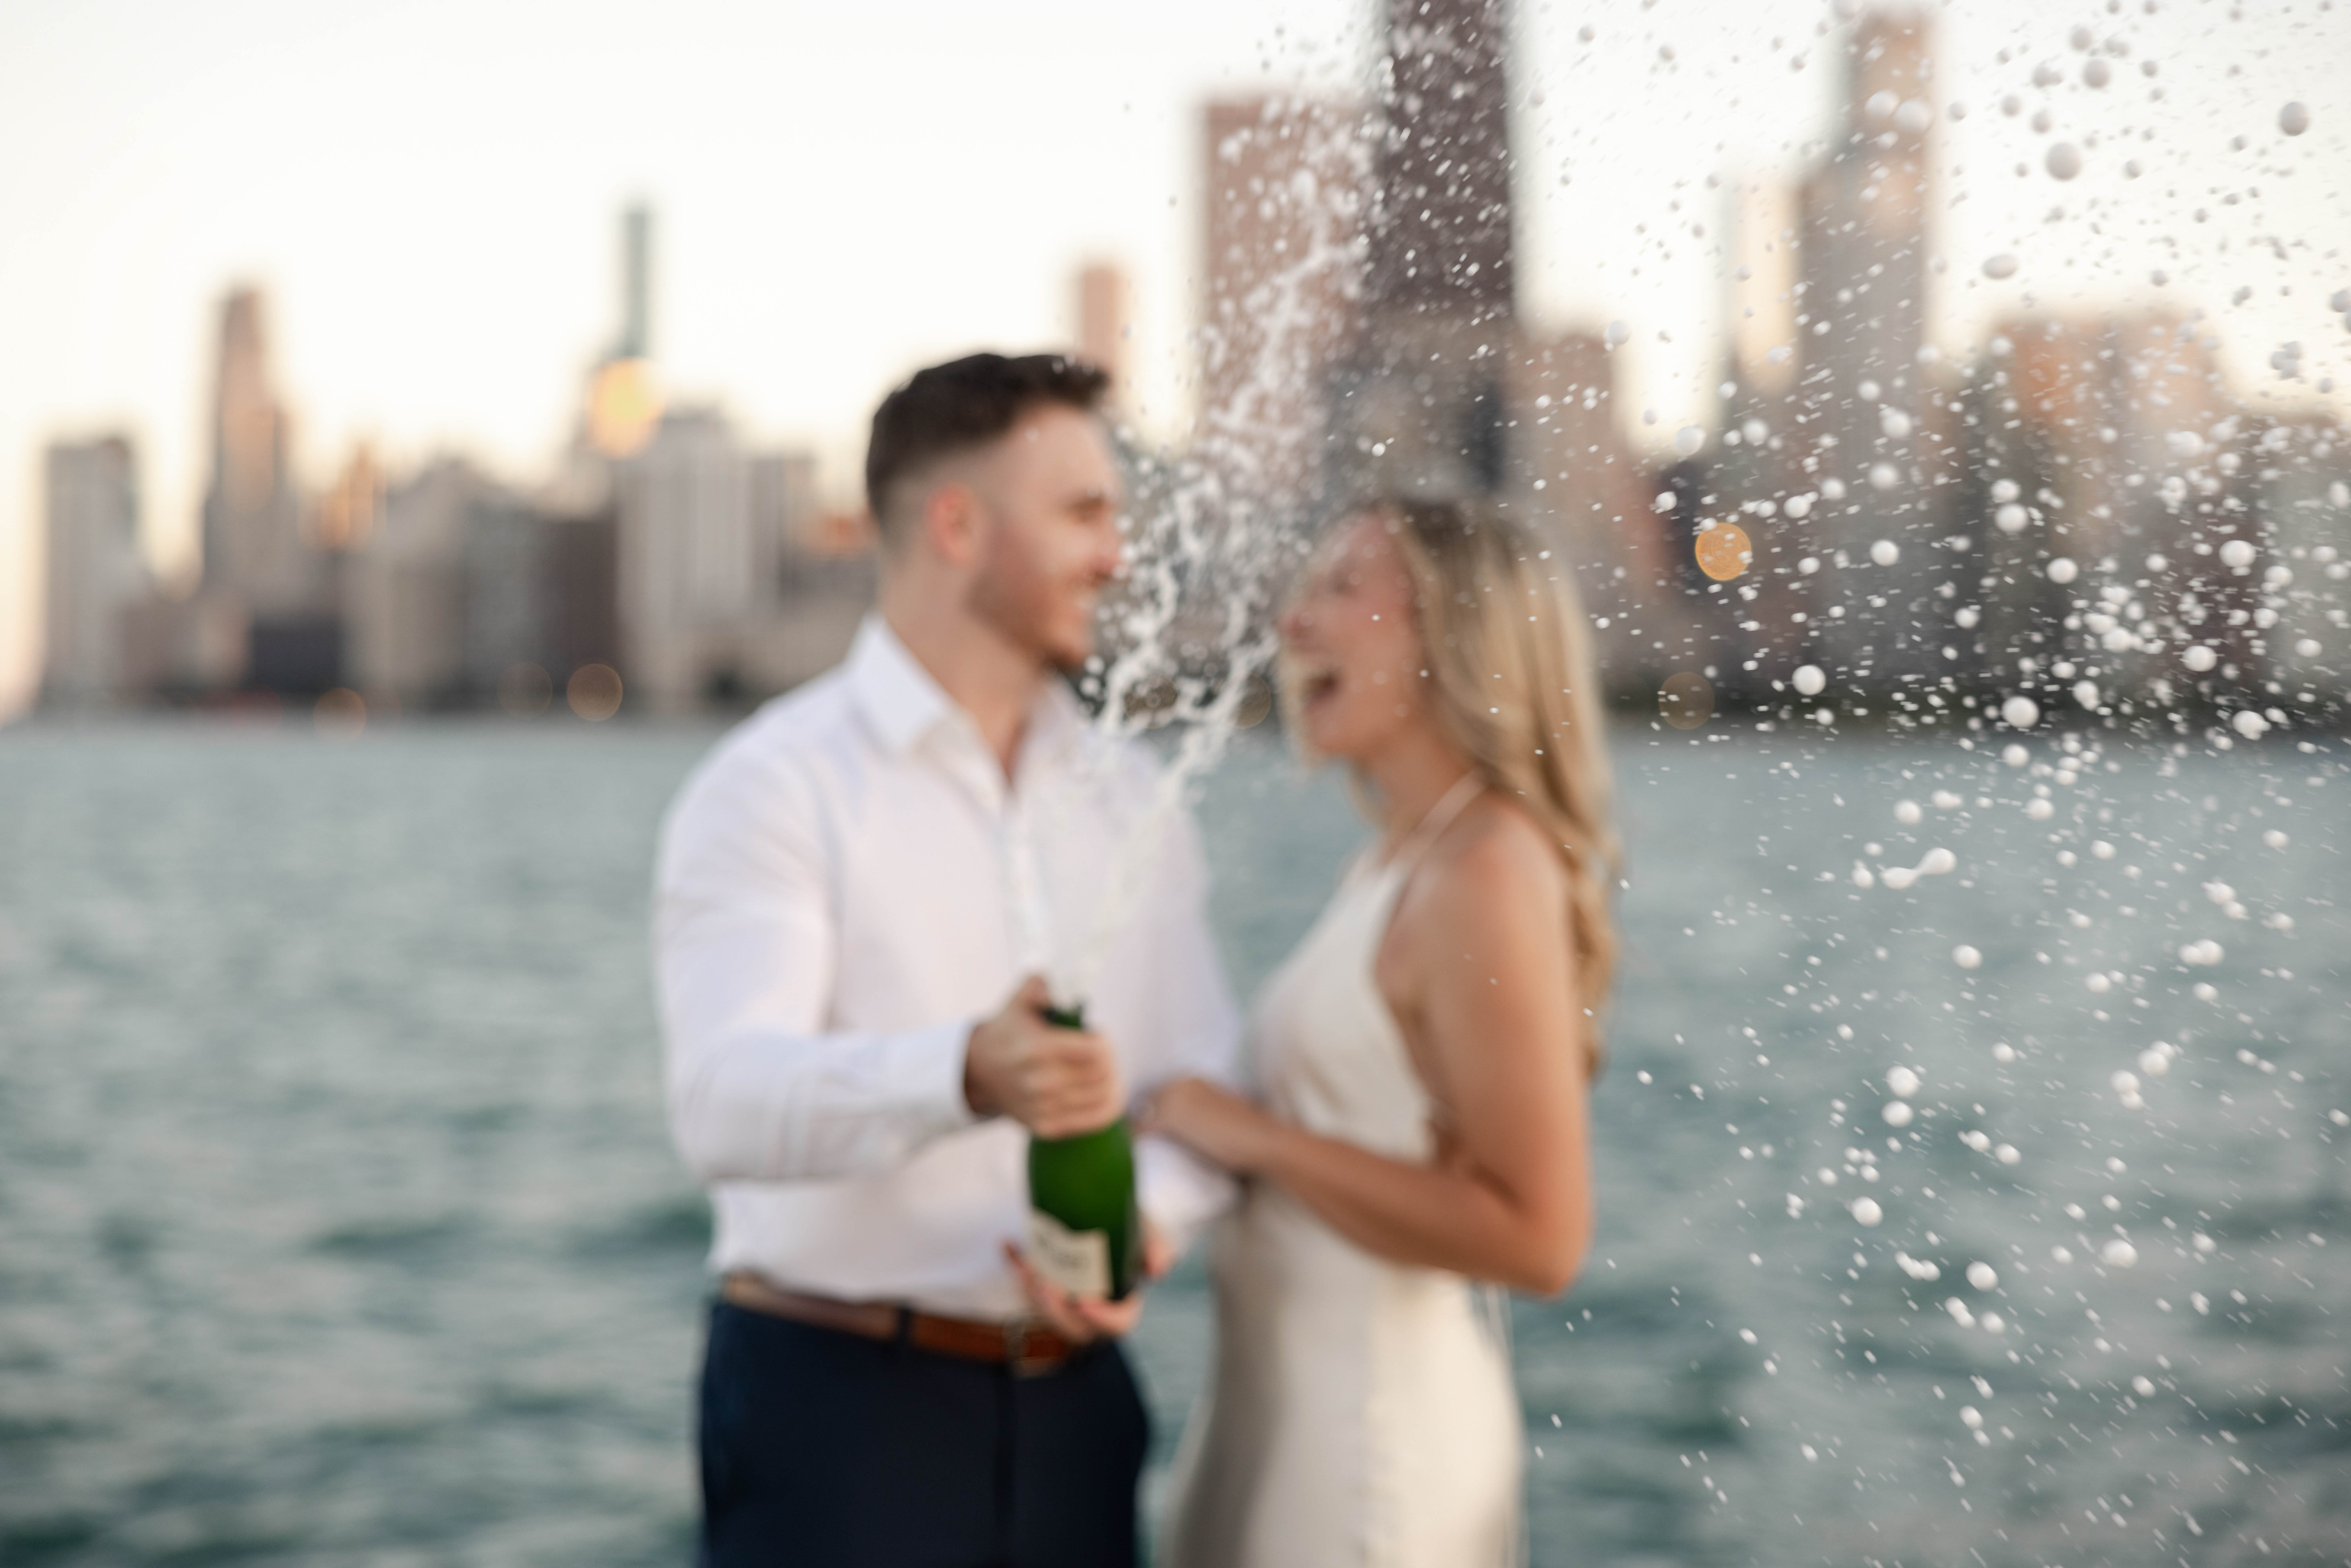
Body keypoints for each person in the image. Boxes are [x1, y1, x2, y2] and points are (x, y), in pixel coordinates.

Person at [653, 352, 1239, 1568]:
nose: (1115, 555)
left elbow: (1199, 1084)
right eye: (1082, 513)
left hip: (1083, 1418)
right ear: (958, 527)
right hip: (841, 1423)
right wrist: (967, 1070)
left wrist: (1148, 1219)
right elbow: (722, 1101)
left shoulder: (1133, 795)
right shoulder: (775, 786)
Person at [1147, 498, 1617, 1568]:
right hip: (1284, 1417)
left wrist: (1254, 1138)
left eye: (1341, 587)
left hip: (1370, 1457)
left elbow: (1541, 1240)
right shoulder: (1399, 860)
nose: (1291, 623)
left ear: (1457, 631)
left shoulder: (1485, 869)